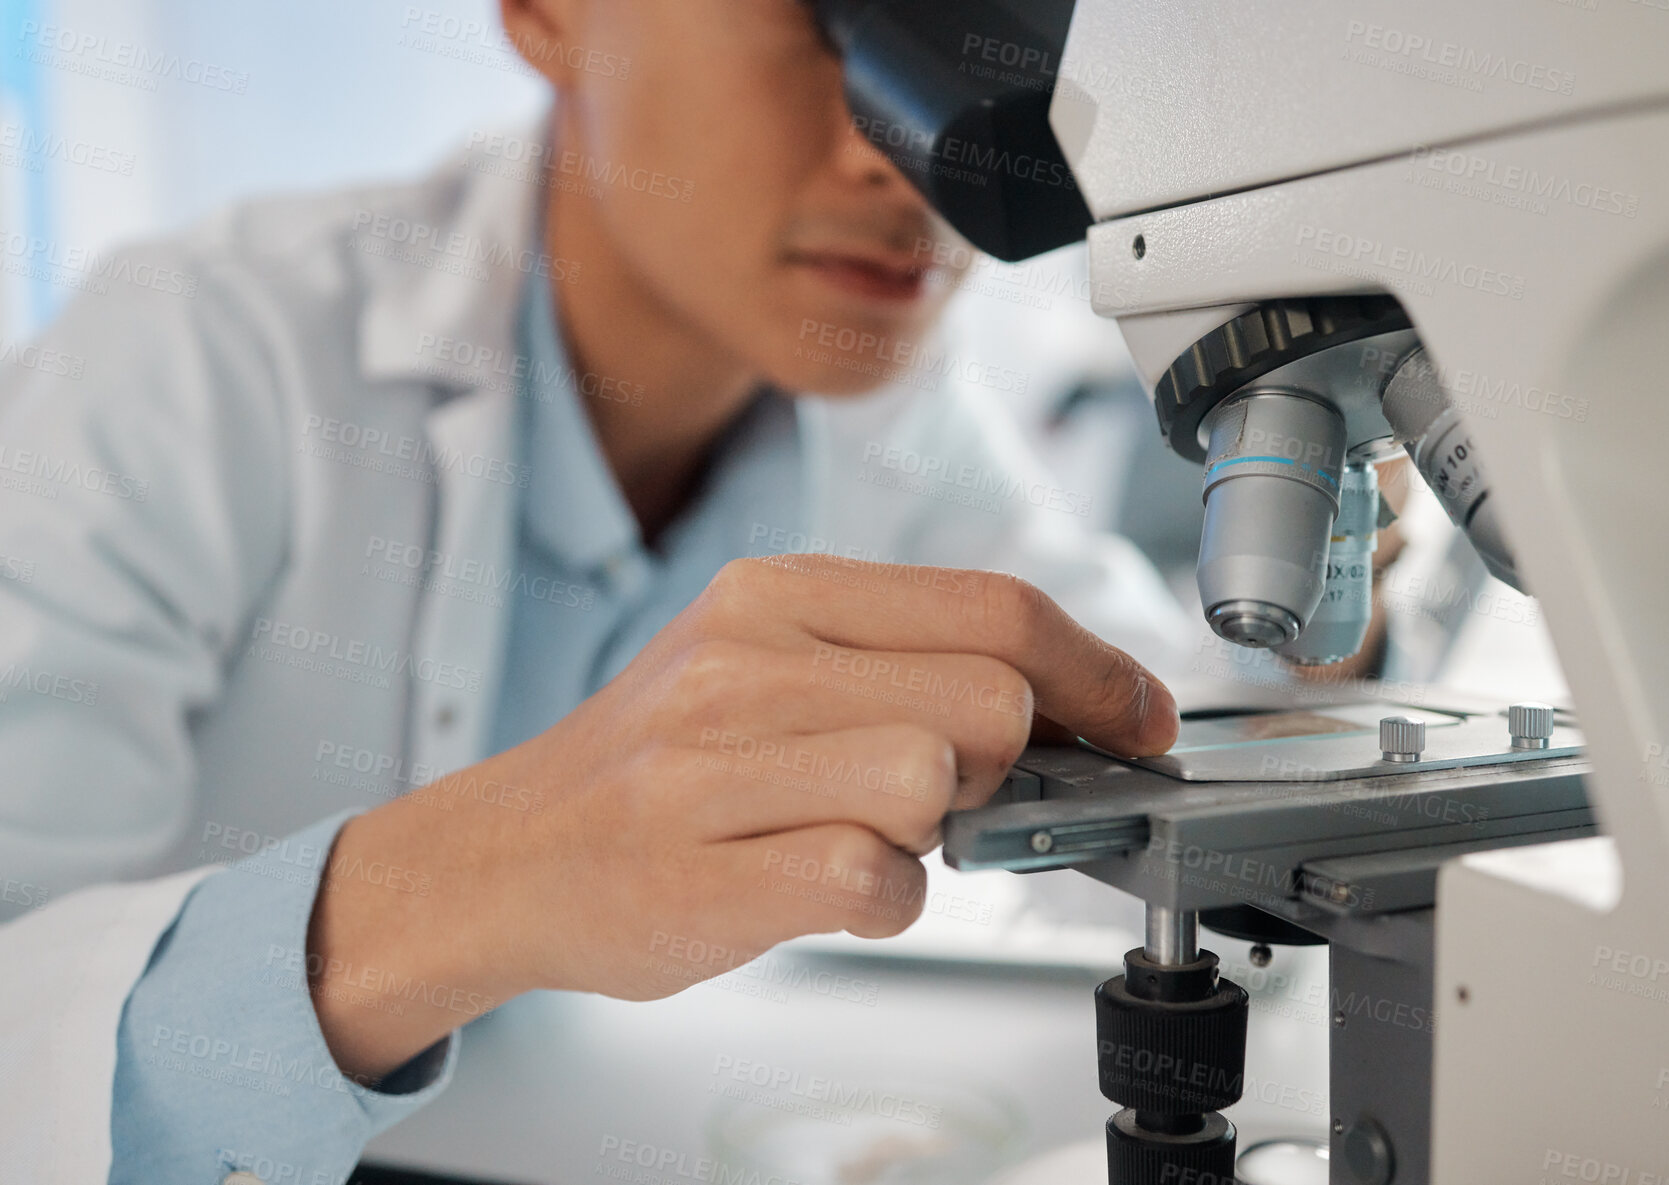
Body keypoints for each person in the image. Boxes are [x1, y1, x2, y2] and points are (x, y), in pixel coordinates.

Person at [0, 1, 1203, 1181]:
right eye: (837, 27)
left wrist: (1321, 618)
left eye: (975, 39)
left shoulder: (894, 409)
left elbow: (1155, 702)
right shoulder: (196, 358)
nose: (919, 161)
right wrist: (498, 873)